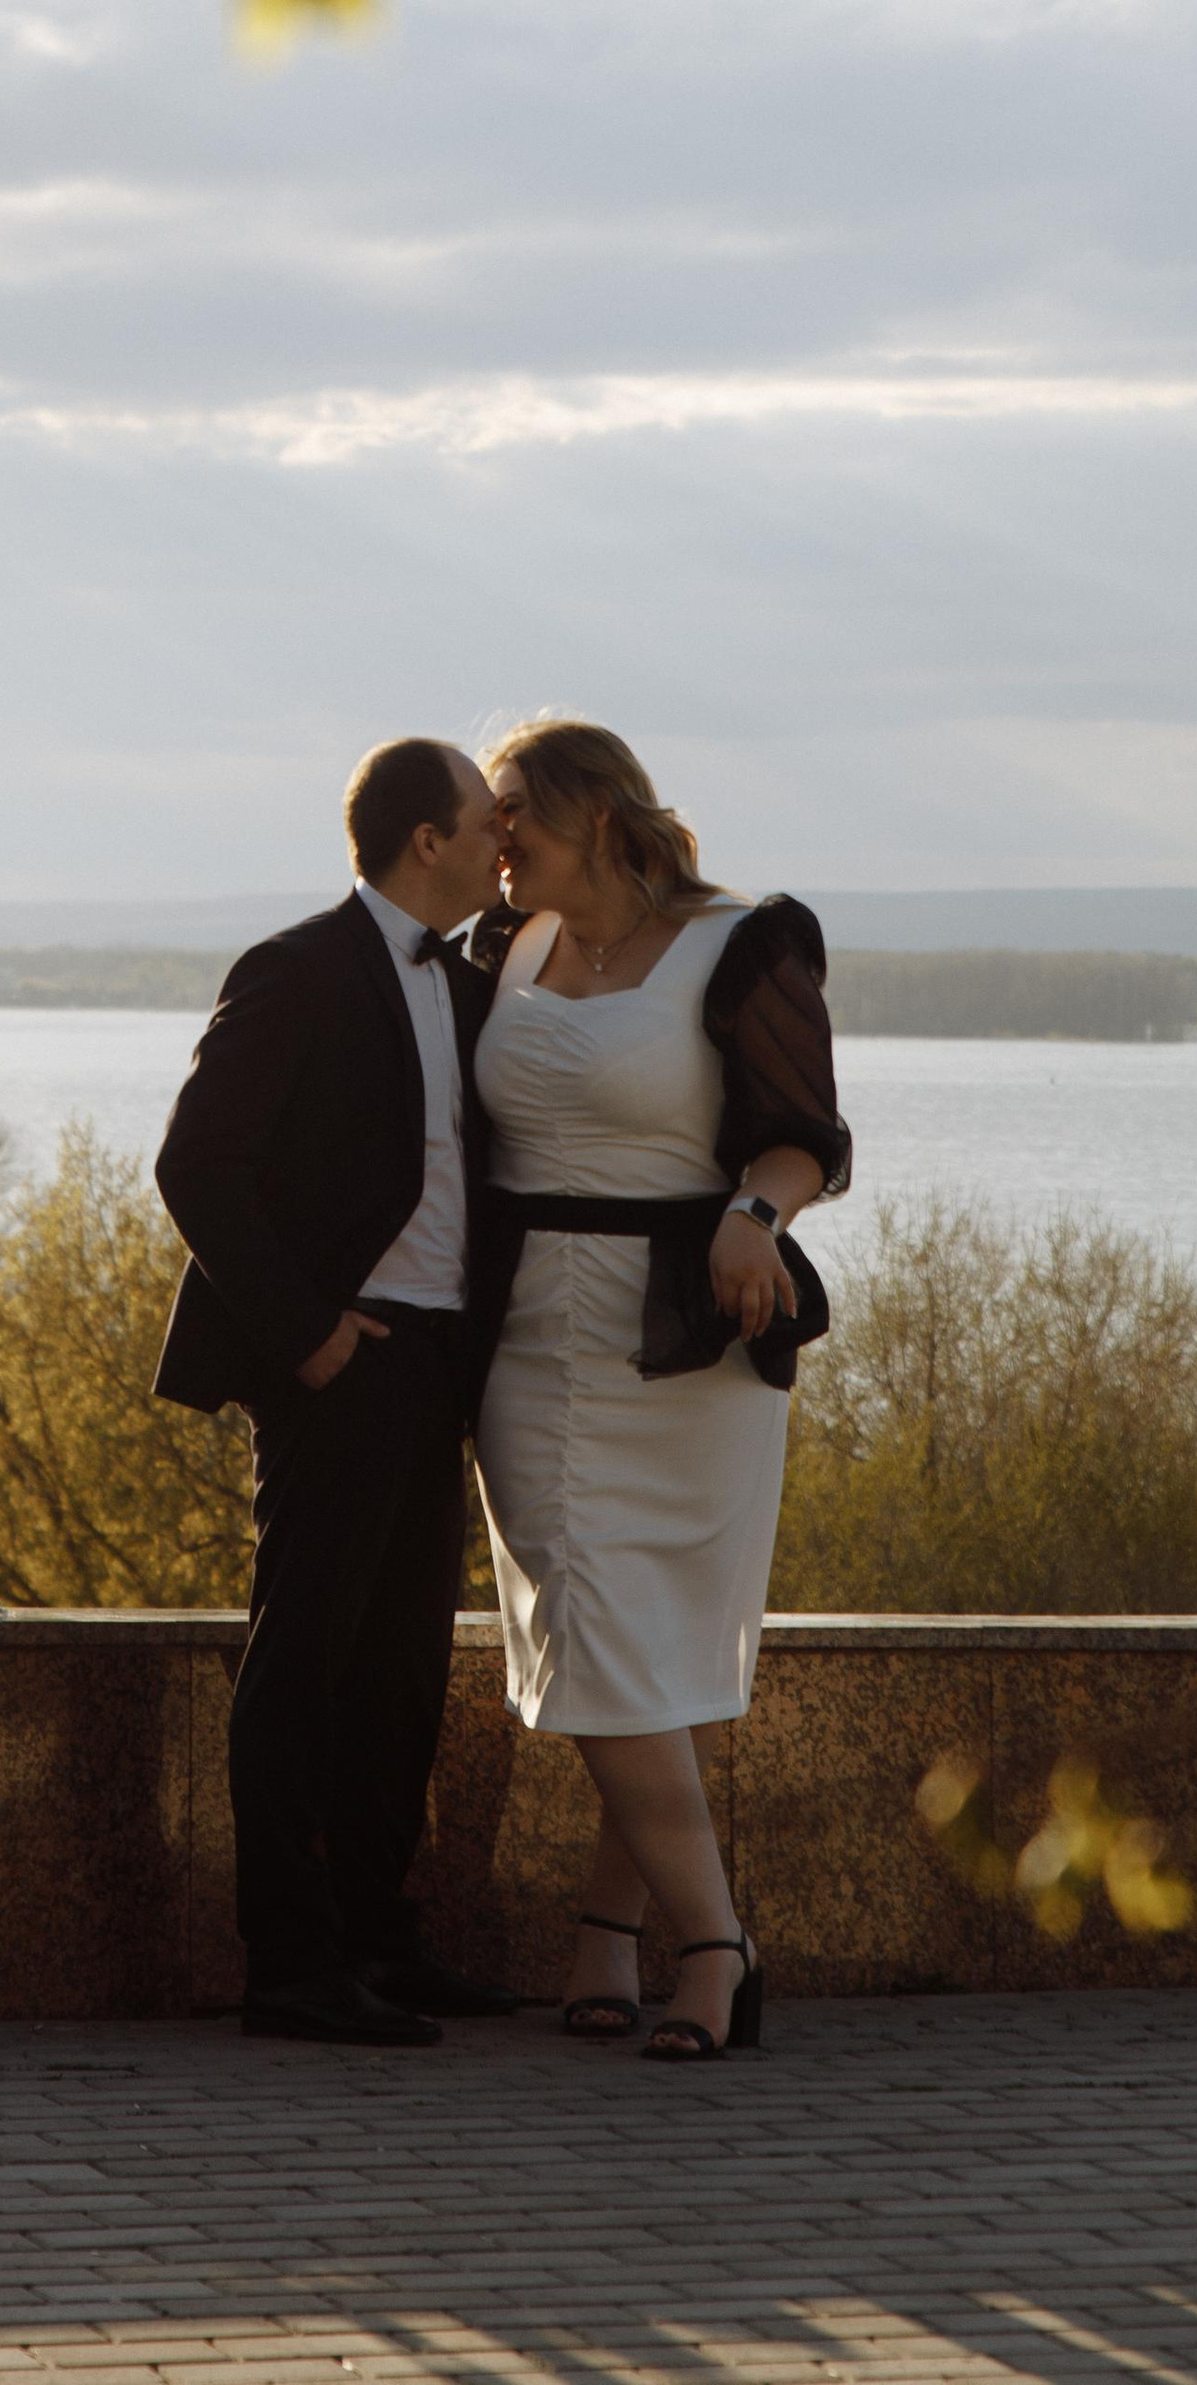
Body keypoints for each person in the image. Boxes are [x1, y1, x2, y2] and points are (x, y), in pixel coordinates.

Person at [463, 714, 849, 2062]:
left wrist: (756, 1211)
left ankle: (610, 1940)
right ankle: (718, 1948)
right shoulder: (494, 949)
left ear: (601, 824)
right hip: (523, 1342)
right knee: (591, 1618)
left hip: (690, 1343)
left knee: (656, 1641)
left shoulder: (742, 944)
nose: (494, 845)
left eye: (516, 820)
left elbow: (807, 1137)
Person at [151, 735, 522, 2048]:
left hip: (436, 1365)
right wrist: (306, 1335)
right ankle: (290, 1964)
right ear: (427, 840)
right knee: (304, 1656)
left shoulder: (470, 986)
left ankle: (378, 1938)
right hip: (340, 1363)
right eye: (487, 822)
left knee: (406, 1668)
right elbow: (196, 1166)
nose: (503, 843)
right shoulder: (295, 971)